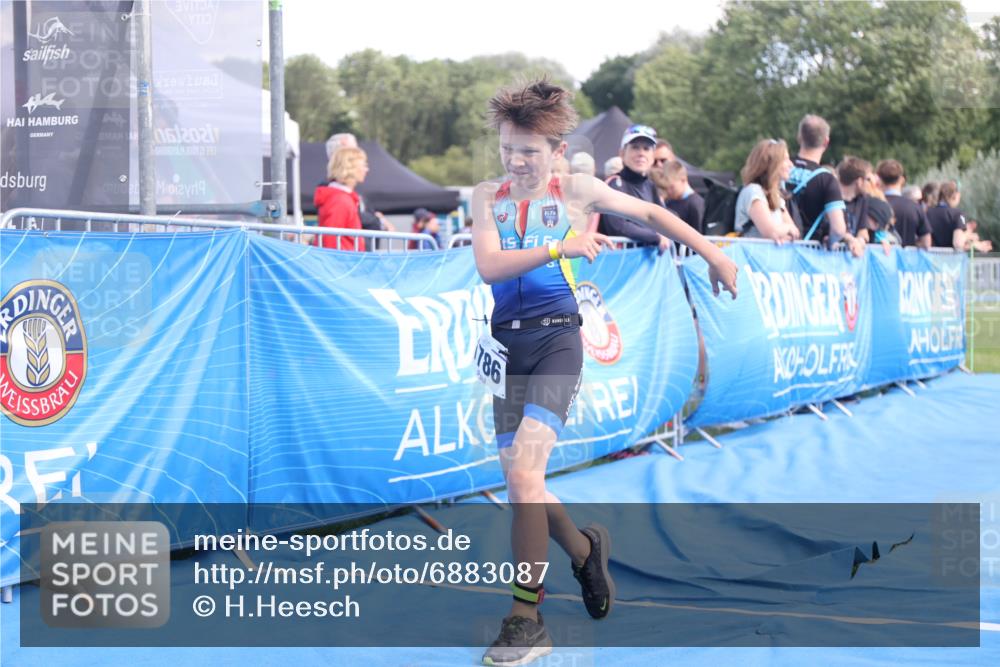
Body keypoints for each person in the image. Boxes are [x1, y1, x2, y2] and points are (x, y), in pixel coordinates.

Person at [471, 78, 738, 666]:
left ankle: (525, 618)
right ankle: (585, 548)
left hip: (557, 345)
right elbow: (490, 267)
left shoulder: (577, 189)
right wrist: (558, 250)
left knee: (521, 482)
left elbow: (648, 210)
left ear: (558, 152)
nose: (516, 162)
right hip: (505, 349)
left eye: (530, 152)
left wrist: (715, 253)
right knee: (527, 486)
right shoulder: (485, 196)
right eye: (507, 149)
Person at [786, 115, 864, 256]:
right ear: (826, 142)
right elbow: (839, 228)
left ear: (799, 137)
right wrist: (831, 241)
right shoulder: (826, 179)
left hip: (774, 249)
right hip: (807, 254)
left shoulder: (781, 167)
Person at [597, 124, 671, 252]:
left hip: (648, 266)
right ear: (622, 153)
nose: (641, 153)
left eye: (646, 148)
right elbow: (618, 226)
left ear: (653, 155)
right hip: (617, 265)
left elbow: (665, 221)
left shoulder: (650, 186)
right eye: (635, 147)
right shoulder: (613, 184)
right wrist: (656, 237)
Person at [734, 139, 800, 241]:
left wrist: (783, 233)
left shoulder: (776, 195)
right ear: (771, 163)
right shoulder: (753, 191)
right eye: (785, 159)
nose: (791, 164)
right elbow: (770, 232)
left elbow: (795, 234)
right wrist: (787, 228)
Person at [312, 146, 368, 251]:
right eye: (364, 165)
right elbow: (330, 241)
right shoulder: (340, 201)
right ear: (350, 168)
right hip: (343, 263)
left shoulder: (342, 198)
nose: (366, 169)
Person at [876, 159, 931, 249]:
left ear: (879, 179)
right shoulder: (915, 207)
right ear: (901, 180)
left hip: (879, 260)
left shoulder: (873, 205)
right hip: (907, 261)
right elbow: (926, 242)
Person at [657, 160, 705, 233]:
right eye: (666, 187)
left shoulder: (696, 205)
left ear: (683, 180)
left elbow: (700, 235)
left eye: (671, 187)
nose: (668, 191)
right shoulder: (669, 201)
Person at [927, 180, 967, 250]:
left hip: (929, 258)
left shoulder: (927, 212)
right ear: (955, 196)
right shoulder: (957, 214)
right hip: (948, 259)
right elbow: (958, 244)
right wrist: (967, 235)